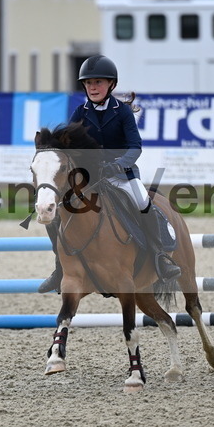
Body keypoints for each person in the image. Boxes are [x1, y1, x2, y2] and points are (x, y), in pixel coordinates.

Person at [38, 54, 181, 293]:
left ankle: (161, 258)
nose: (93, 88)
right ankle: (59, 267)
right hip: (89, 178)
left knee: (144, 203)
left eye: (98, 83)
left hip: (121, 174)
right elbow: (68, 148)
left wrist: (119, 163)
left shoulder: (122, 112)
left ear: (111, 84)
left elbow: (135, 146)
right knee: (57, 211)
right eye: (88, 83)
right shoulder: (80, 113)